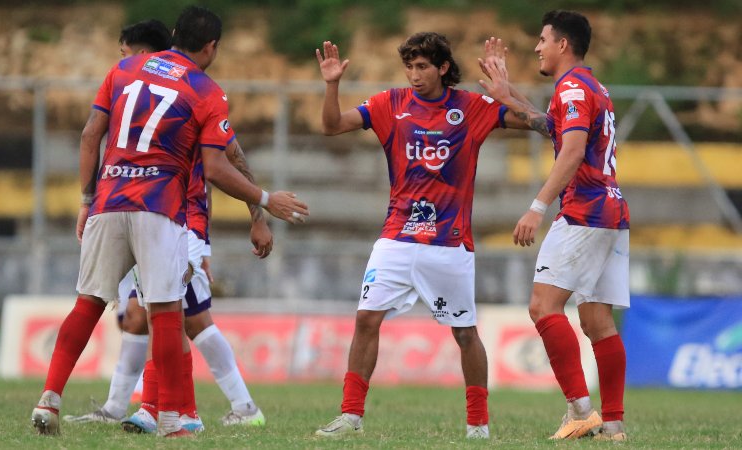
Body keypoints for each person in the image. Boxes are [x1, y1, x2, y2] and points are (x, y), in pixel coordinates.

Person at [31, 5, 308, 438]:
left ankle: (50, 397)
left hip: (108, 200)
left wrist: (87, 199)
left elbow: (90, 136)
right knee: (166, 314)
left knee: (89, 303)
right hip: (159, 209)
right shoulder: (206, 91)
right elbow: (218, 166)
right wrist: (265, 201)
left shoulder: (123, 69)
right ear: (212, 47)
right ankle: (175, 417)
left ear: (174, 33)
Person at [313, 32, 548, 439]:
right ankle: (351, 416)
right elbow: (332, 126)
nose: (414, 75)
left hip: (449, 244)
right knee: (366, 319)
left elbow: (545, 125)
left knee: (464, 333)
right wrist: (332, 84)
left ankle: (478, 424)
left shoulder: (470, 108)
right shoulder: (391, 104)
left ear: (442, 68)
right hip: (396, 238)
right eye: (409, 66)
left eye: (422, 66)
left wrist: (508, 93)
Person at [511, 10, 630, 441]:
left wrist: (537, 207)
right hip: (611, 211)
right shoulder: (591, 86)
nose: (537, 47)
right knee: (598, 320)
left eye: (543, 39)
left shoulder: (574, 87)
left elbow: (573, 150)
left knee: (543, 306)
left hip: (584, 210)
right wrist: (509, 96)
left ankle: (580, 410)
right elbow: (556, 130)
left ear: (563, 44)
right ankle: (613, 424)